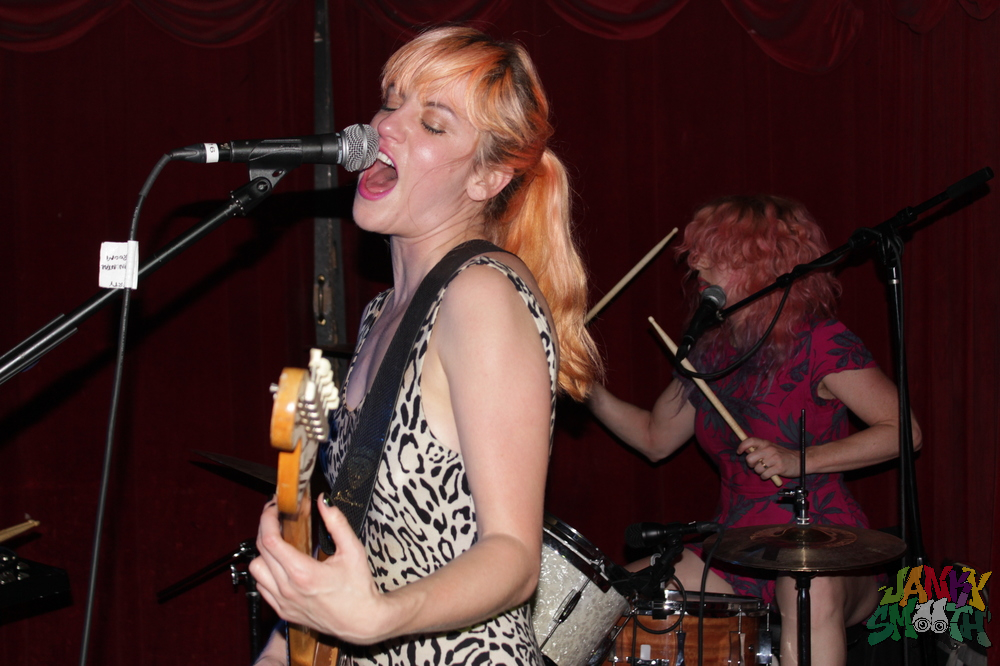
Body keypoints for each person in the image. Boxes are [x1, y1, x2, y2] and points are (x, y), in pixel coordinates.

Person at [248, 26, 601, 666]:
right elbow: (375, 538)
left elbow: (514, 557)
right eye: (391, 101)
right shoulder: (384, 312)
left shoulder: (480, 295)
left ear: (487, 178)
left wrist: (381, 616)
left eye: (433, 124)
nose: (386, 127)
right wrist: (289, 636)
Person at [587, 195, 922, 666]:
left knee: (810, 592)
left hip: (825, 545)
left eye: (715, 253)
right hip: (735, 550)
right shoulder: (712, 350)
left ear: (764, 265)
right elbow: (654, 438)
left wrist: (796, 459)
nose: (696, 262)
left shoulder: (821, 341)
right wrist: (586, 388)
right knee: (606, 601)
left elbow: (903, 432)